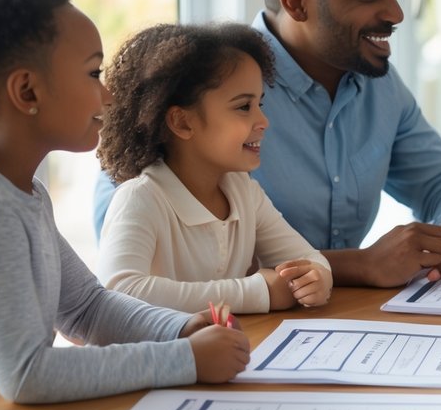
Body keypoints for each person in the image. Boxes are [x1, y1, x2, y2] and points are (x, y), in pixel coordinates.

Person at [95, 0, 441, 287]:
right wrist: (358, 265)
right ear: (296, 1)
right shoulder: (207, 85)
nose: (396, 13)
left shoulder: (379, 86)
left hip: (336, 324)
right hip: (229, 335)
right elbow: (126, 242)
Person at [0, 0, 249, 403]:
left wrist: (179, 328)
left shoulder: (26, 195)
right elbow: (25, 374)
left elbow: (86, 307)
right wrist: (185, 360)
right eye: (93, 74)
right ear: (27, 92)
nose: (108, 95)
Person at [96, 23, 332, 313]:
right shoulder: (141, 198)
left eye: (260, 103)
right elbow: (118, 293)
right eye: (244, 107)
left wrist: (318, 276)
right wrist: (256, 293)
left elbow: (308, 258)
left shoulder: (244, 192)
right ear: (182, 122)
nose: (263, 121)